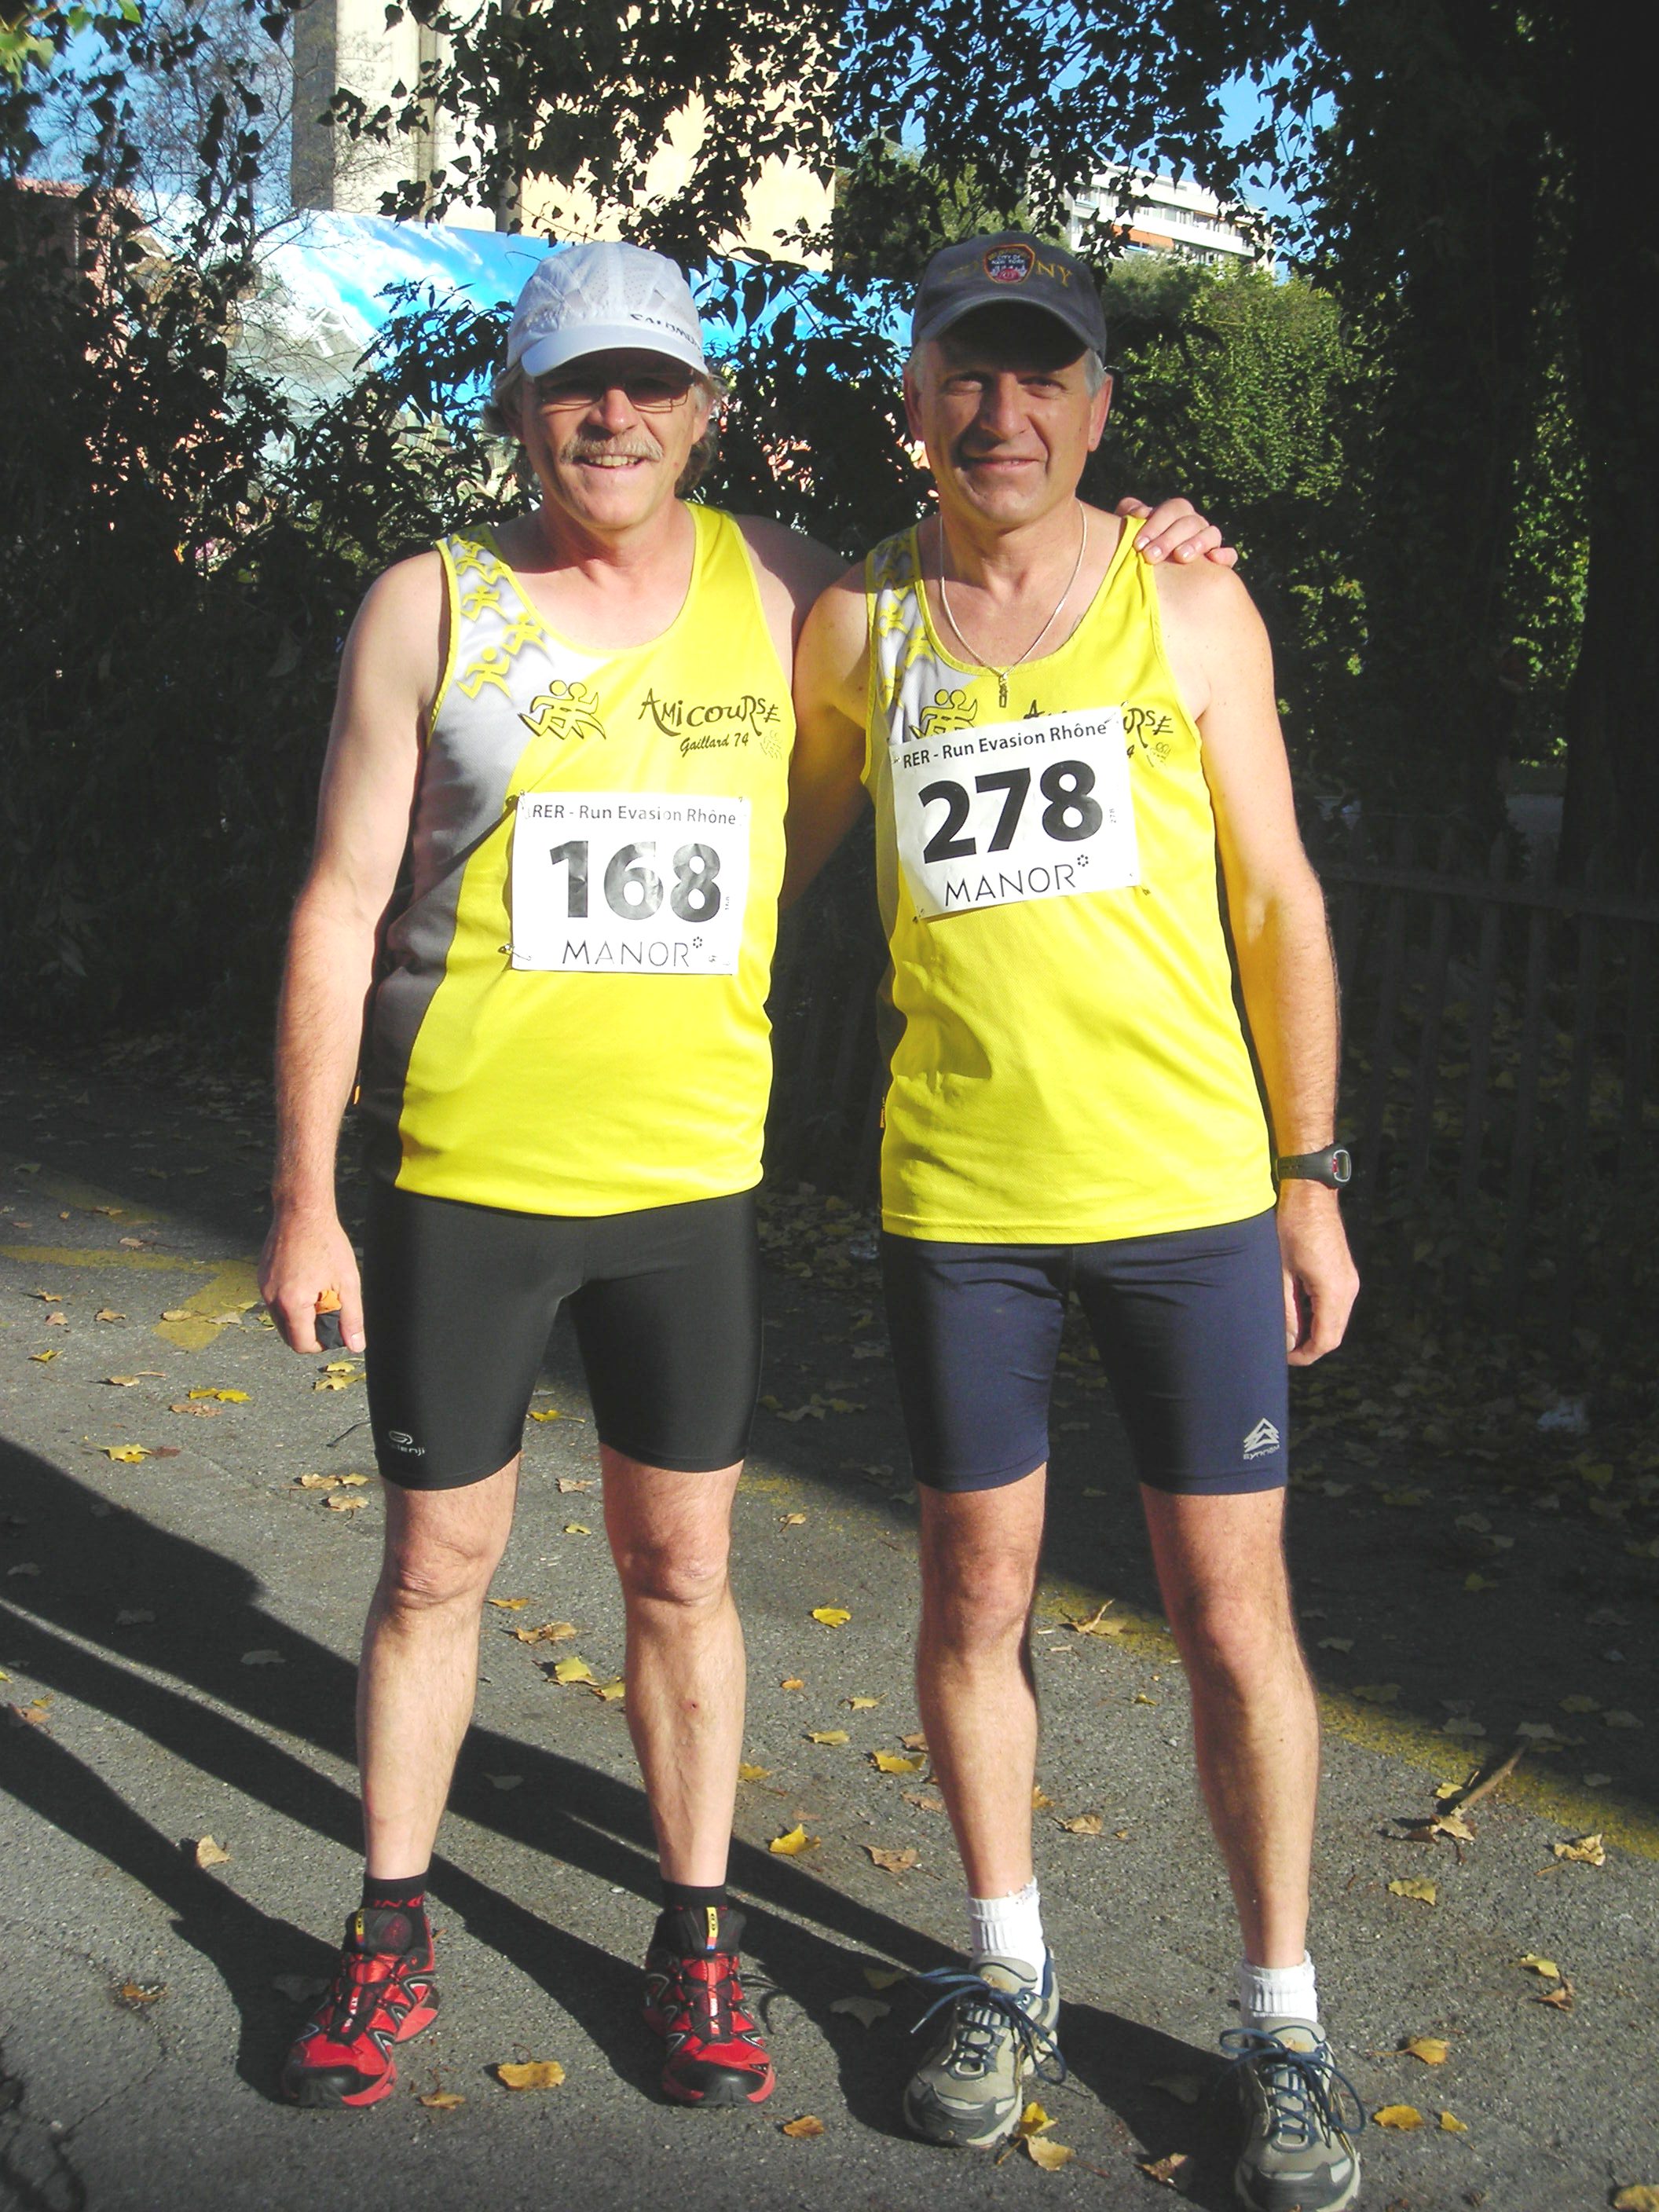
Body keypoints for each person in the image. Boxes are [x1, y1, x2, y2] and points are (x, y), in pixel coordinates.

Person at [258, 237, 1229, 2116]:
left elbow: (1002, 558)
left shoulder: (790, 588)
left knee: (684, 1567)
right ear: (521, 408)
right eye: (575, 384)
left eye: (650, 383)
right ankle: (387, 1928)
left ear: (704, 410)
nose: (613, 415)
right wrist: (305, 1192)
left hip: (689, 1186)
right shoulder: (427, 605)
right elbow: (334, 906)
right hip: (464, 1173)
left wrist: (1158, 538)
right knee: (435, 1567)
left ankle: (697, 1935)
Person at [786, 232, 1364, 2212]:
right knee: (972, 1599)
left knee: (1233, 1616)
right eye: (969, 370)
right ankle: (1008, 1964)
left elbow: (1278, 897)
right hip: (962, 1209)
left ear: (1101, 406)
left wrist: (1311, 1177)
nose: (1005, 411)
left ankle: (1281, 2019)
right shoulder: (858, 623)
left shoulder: (1188, 601)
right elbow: (759, 853)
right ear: (916, 397)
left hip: (1190, 1203)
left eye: (1046, 375)